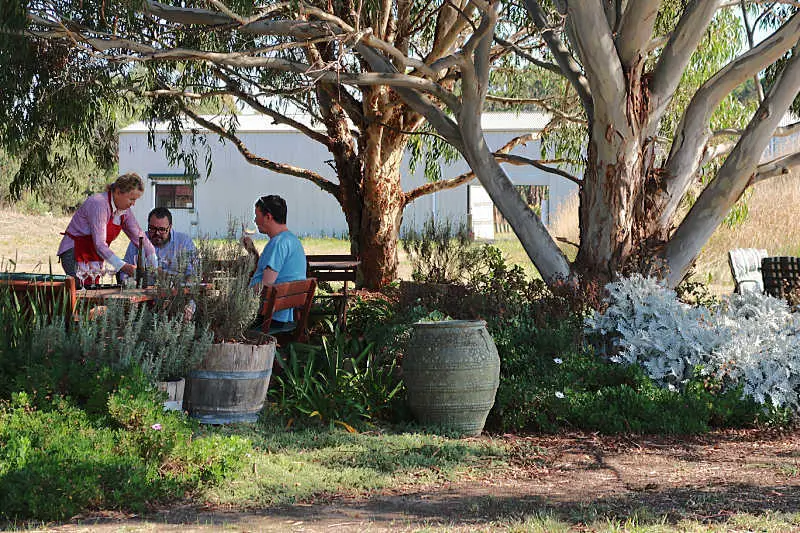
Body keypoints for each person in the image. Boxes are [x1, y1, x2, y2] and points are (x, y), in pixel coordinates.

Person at [57, 173, 156, 284]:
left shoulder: (124, 211)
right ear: (118, 192)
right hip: (75, 252)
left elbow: (139, 236)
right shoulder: (99, 204)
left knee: (92, 292)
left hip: (94, 255)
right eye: (131, 199)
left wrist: (155, 265)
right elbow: (99, 244)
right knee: (83, 292)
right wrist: (123, 267)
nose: (133, 204)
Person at [243, 194, 306, 324]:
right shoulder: (291, 240)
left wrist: (241, 295)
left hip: (270, 317)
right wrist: (253, 251)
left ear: (268, 217)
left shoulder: (278, 244)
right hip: (285, 313)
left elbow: (266, 285)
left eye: (257, 216)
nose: (255, 220)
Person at [122, 207, 198, 281]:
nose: (157, 233)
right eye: (152, 228)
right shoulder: (138, 241)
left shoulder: (184, 242)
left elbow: (192, 274)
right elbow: (124, 272)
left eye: (162, 229)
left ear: (170, 227)